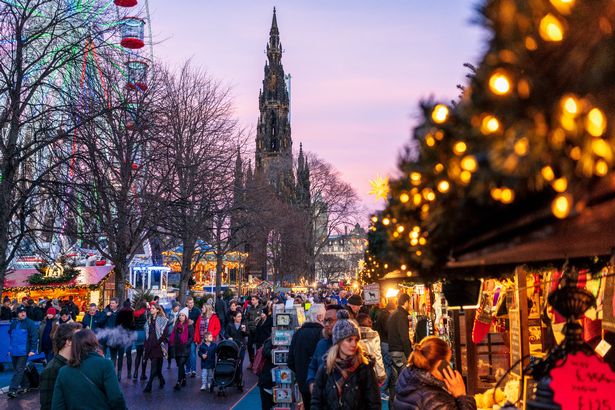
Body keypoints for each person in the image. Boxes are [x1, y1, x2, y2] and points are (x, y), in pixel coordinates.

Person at [311, 310, 381, 410]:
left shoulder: (364, 367)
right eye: (349, 340)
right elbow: (316, 401)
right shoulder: (326, 368)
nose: (354, 344)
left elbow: (374, 403)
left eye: (356, 340)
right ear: (338, 342)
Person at [51, 328, 127, 409]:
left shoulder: (63, 371)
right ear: (93, 343)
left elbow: (57, 406)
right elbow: (116, 398)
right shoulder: (105, 365)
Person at [394, 336, 476, 410]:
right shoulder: (435, 399)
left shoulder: (408, 377)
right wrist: (461, 395)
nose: (451, 367)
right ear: (441, 365)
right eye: (448, 361)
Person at [288, 304, 325, 409]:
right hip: (320, 383)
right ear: (319, 317)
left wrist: (301, 371)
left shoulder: (298, 333)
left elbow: (290, 361)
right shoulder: (322, 333)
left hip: (303, 382)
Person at [39, 322, 82, 410]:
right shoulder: (51, 370)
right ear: (68, 342)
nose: (83, 341)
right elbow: (47, 405)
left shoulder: (74, 363)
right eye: (79, 338)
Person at [306, 305, 342, 390]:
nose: (326, 324)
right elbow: (312, 366)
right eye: (325, 321)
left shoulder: (350, 345)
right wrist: (311, 383)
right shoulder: (322, 344)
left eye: (330, 321)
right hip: (324, 398)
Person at [7, 306, 39, 398]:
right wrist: (10, 349)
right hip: (14, 351)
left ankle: (12, 390)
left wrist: (33, 350)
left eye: (24, 311)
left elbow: (34, 337)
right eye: (21, 312)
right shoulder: (13, 323)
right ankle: (26, 385)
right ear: (17, 314)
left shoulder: (30, 323)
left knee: (19, 370)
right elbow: (12, 337)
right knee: (18, 370)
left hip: (24, 351)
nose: (23, 313)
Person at [387, 292, 412, 402]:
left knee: (395, 381)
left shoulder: (394, 313)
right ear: (406, 302)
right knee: (403, 381)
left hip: (392, 349)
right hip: (399, 351)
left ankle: (394, 404)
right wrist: (410, 355)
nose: (410, 305)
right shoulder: (401, 315)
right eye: (410, 303)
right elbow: (404, 337)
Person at [143, 304, 169, 393]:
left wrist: (157, 343)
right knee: (158, 368)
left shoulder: (163, 320)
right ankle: (161, 380)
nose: (151, 309)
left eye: (153, 308)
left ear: (158, 310)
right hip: (150, 345)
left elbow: (164, 334)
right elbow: (147, 333)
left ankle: (149, 385)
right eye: (151, 308)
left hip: (158, 346)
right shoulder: (149, 320)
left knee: (154, 367)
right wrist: (146, 344)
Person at [373, 300, 396, 401]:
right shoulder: (386, 315)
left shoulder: (381, 313)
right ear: (392, 309)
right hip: (386, 342)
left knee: (386, 365)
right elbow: (387, 329)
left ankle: (383, 389)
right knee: (388, 366)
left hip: (382, 342)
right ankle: (382, 390)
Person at [356, 313, 386, 386]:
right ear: (369, 321)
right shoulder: (374, 334)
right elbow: (377, 354)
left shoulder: (354, 333)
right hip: (371, 370)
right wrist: (381, 374)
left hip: (356, 369)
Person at [169, 307, 193, 390]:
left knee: (181, 364)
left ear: (186, 317)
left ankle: (179, 381)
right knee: (180, 365)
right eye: (180, 315)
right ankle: (184, 379)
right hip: (177, 348)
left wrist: (186, 344)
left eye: (183, 315)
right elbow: (173, 336)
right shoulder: (176, 325)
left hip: (185, 349)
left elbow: (191, 337)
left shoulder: (189, 326)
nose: (181, 317)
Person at [116, 299, 135, 381]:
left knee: (120, 356)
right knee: (128, 355)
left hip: (121, 335)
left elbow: (117, 324)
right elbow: (134, 325)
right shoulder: (132, 312)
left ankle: (119, 374)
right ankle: (129, 373)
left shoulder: (120, 312)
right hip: (129, 335)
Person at [100, 297, 120, 364]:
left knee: (113, 356)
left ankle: (112, 371)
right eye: (110, 303)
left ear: (117, 304)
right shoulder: (105, 311)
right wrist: (106, 315)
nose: (111, 304)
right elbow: (100, 322)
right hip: (105, 337)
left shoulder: (119, 313)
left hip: (114, 337)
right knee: (102, 355)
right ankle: (103, 371)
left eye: (113, 303)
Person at [244, 295, 262, 368]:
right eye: (251, 300)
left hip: (258, 331)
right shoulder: (249, 308)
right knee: (249, 346)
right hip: (250, 330)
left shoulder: (261, 308)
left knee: (258, 347)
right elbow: (246, 318)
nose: (252, 301)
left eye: (253, 299)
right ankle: (251, 362)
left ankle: (257, 363)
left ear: (257, 300)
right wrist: (247, 326)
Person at [185, 296, 201, 377]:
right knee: (186, 353)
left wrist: (193, 322)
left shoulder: (197, 311)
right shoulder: (184, 311)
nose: (191, 304)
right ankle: (187, 369)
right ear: (187, 303)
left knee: (193, 352)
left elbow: (200, 323)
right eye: (190, 303)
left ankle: (193, 370)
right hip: (185, 335)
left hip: (193, 335)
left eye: (192, 303)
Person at [257, 338, 275, 409]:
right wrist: (276, 352)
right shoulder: (270, 341)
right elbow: (266, 352)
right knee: (267, 403)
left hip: (269, 378)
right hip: (267, 379)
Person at [133, 300, 148, 380]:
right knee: (144, 356)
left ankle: (135, 373)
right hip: (144, 333)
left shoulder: (135, 313)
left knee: (138, 355)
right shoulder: (145, 313)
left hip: (137, 334)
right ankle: (143, 374)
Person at [166, 301, 180, 369]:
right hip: (170, 335)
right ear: (174, 307)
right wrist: (172, 320)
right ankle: (169, 363)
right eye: (177, 306)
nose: (178, 307)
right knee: (170, 349)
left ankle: (178, 363)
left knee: (177, 349)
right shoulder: (169, 314)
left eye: (178, 306)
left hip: (177, 335)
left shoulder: (180, 314)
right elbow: (166, 323)